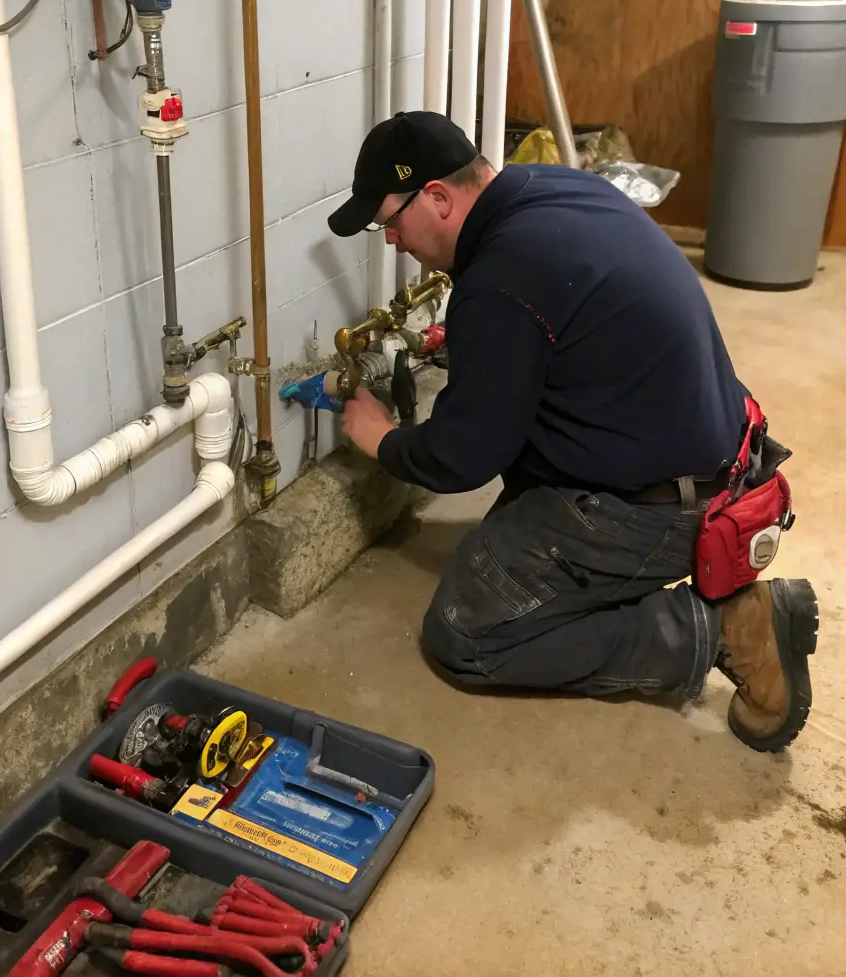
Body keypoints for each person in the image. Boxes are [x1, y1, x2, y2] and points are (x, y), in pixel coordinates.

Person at [327, 110, 817, 752]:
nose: (390, 240)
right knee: (502, 540)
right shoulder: (551, 188)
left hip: (668, 507)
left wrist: (383, 439)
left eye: (388, 221)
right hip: (716, 451)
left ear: (440, 198)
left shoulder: (501, 279)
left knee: (465, 631)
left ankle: (725, 628)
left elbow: (463, 457)